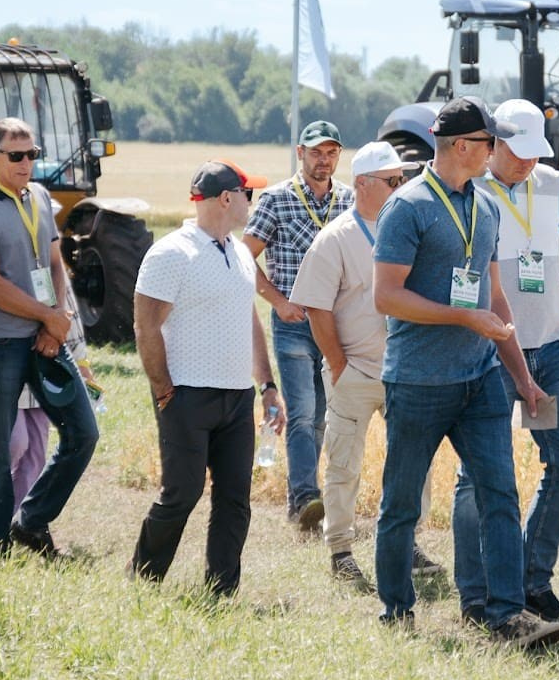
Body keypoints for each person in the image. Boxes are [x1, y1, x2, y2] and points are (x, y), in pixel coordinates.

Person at [371, 99, 559, 647]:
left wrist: (522, 376)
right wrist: (462, 315)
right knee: (402, 502)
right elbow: (387, 296)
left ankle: (505, 615)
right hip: (417, 381)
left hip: (480, 380)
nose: (496, 151)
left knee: (500, 491)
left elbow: (494, 294)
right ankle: (396, 611)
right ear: (461, 146)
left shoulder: (487, 204)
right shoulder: (406, 208)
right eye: (489, 142)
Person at [450, 98, 559, 625]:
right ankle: (476, 594)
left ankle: (533, 582)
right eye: (517, 152)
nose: (526, 163)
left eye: (535, 153)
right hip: (488, 354)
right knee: (477, 475)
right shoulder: (468, 190)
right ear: (493, 143)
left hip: (551, 349)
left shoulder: (552, 185)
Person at [130, 162, 284, 595]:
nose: (252, 202)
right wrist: (162, 388)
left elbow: (249, 317)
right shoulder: (171, 253)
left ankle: (221, 592)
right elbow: (146, 325)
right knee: (182, 492)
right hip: (186, 394)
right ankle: (143, 579)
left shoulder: (239, 251)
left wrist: (267, 385)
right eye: (247, 193)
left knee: (235, 499)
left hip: (237, 397)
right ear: (226, 198)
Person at [0, 117, 100, 555]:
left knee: (83, 433)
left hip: (46, 335)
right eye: (15, 155)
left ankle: (31, 520)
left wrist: (55, 320)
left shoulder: (39, 195)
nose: (25, 163)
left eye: (32, 154)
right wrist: (48, 317)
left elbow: (56, 262)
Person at [289, 141, 430, 590]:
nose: (401, 186)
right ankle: (341, 551)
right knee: (344, 464)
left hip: (405, 371)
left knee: (413, 464)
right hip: (357, 374)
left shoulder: (409, 229)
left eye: (402, 179)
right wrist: (339, 365)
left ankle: (407, 543)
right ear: (365, 185)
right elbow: (316, 308)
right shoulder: (337, 237)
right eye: (392, 181)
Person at [243, 118, 350, 534]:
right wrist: (278, 301)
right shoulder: (276, 199)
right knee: (302, 412)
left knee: (324, 415)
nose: (323, 161)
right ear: (300, 154)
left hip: (336, 326)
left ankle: (303, 501)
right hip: (294, 322)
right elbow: (243, 257)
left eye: (331, 153)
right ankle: (306, 496)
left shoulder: (349, 200)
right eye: (315, 152)